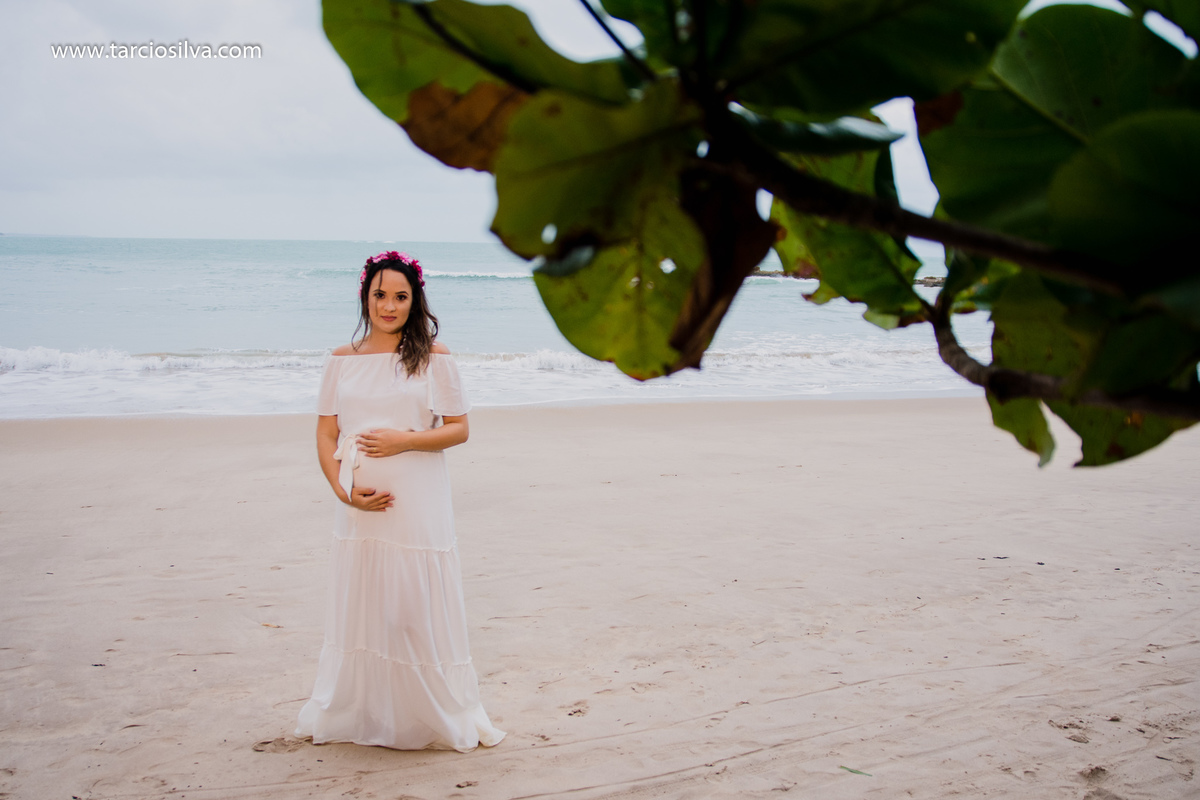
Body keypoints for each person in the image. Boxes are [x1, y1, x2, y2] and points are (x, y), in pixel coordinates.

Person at [295, 250, 505, 751]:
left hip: (418, 505)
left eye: (401, 297)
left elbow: (459, 430)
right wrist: (344, 494)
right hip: (361, 509)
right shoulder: (340, 362)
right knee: (367, 607)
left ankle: (427, 715)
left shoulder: (436, 358)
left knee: (412, 610)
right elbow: (326, 436)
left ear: (416, 301)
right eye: (380, 295)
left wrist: (403, 441)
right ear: (365, 297)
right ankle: (369, 715)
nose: (389, 306)